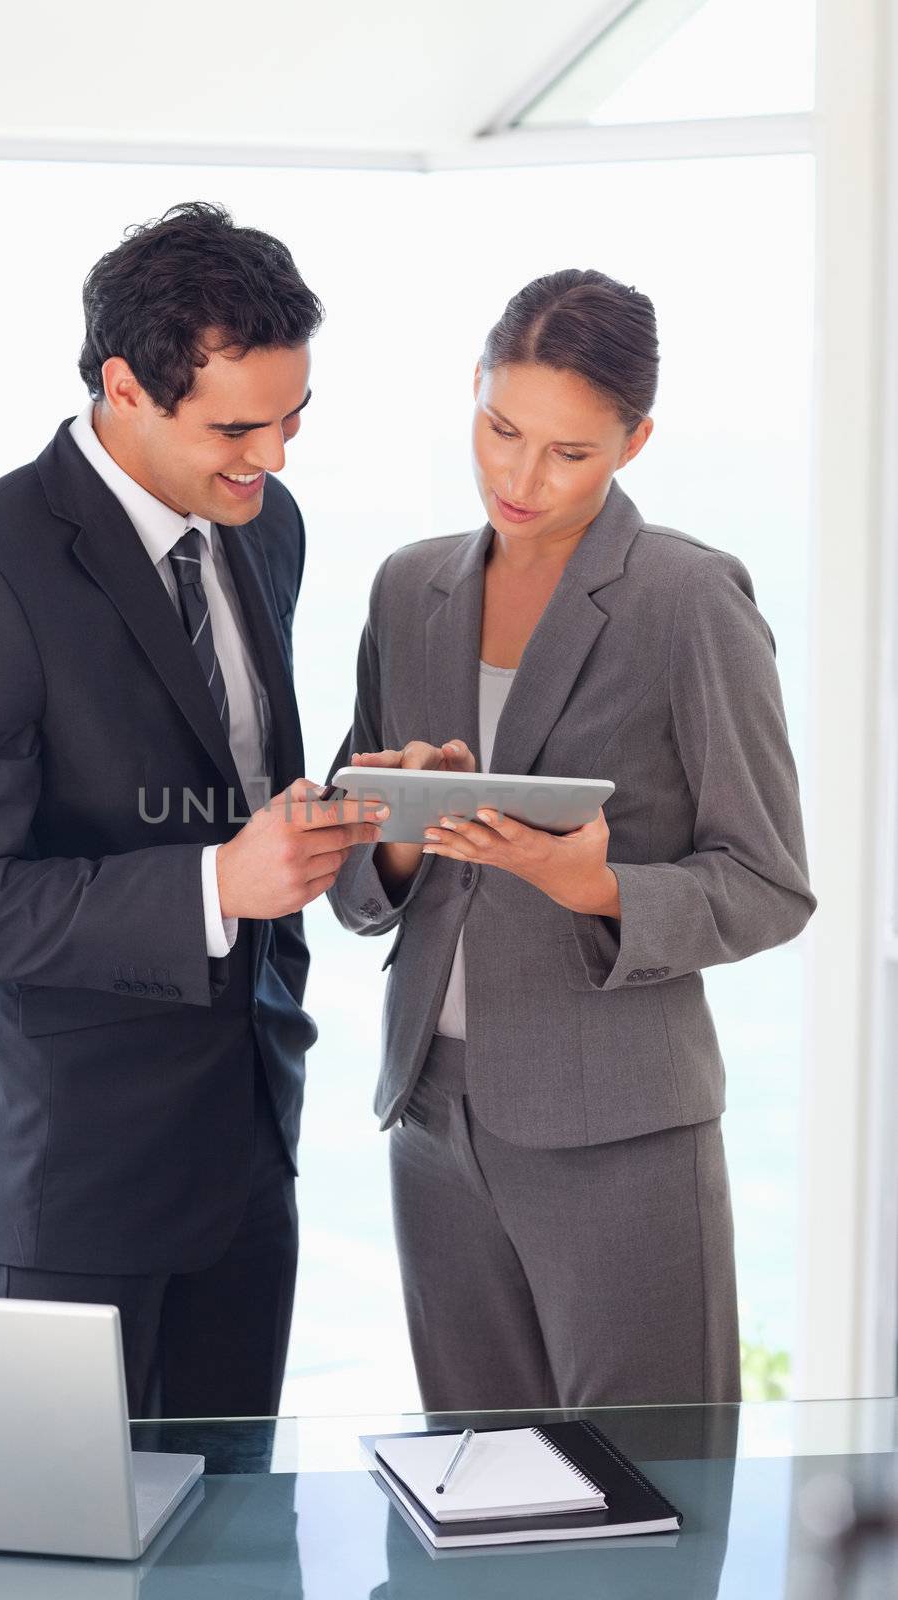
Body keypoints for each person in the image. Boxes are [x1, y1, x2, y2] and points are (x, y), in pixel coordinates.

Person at [0, 200, 385, 1419]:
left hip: (251, 1150)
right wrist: (215, 886)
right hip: (68, 1190)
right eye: (235, 427)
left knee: (238, 1548)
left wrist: (361, 806)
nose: (271, 457)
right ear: (122, 384)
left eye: (292, 417)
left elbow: (235, 773)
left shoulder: (268, 529)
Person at [327, 268, 815, 1410]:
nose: (519, 477)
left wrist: (592, 885)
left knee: (651, 1515)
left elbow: (768, 884)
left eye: (567, 452)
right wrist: (398, 839)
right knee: (476, 1502)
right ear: (475, 394)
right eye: (499, 430)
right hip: (431, 1118)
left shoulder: (687, 599)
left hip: (620, 1134)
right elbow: (353, 877)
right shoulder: (407, 589)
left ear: (633, 443)